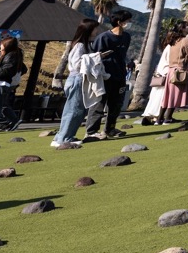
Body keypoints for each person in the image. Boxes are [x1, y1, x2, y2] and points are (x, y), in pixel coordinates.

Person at [51, 19, 102, 149]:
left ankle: (65, 135)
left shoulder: (85, 44)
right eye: (95, 29)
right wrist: (94, 58)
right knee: (74, 109)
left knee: (78, 110)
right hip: (77, 79)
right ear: (88, 30)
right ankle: (64, 138)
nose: (97, 31)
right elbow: (77, 64)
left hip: (81, 79)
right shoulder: (80, 45)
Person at [85, 10, 134, 140]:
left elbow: (123, 55)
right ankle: (91, 131)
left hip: (120, 75)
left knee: (116, 104)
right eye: (128, 21)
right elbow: (94, 56)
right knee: (99, 104)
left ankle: (110, 129)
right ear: (119, 22)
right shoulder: (103, 37)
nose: (130, 23)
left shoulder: (127, 37)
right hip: (105, 76)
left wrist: (129, 62)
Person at [157, 25, 188, 125]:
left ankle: (159, 119)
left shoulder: (173, 41)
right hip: (180, 71)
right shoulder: (186, 40)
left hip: (171, 70)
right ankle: (168, 118)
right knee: (174, 95)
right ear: (182, 29)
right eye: (187, 27)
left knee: (167, 95)